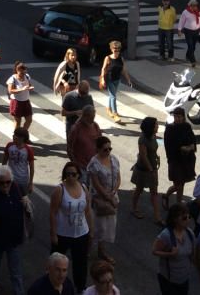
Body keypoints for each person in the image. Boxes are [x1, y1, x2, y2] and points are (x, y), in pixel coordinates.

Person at [50, 161, 93, 292]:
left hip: (81, 233)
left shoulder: (84, 188)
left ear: (78, 175)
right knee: (57, 263)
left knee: (81, 263)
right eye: (68, 174)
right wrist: (53, 233)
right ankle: (54, 286)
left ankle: (80, 287)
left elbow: (88, 211)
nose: (70, 177)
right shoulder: (60, 190)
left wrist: (91, 231)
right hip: (63, 234)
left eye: (73, 174)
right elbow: (53, 212)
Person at [0, 166, 26, 295]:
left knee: (16, 270)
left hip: (14, 238)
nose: (6, 185)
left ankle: (19, 292)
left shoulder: (16, 188)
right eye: (2, 182)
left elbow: (23, 203)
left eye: (8, 182)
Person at [88, 136, 120, 264]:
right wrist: (108, 197)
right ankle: (87, 250)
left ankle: (101, 251)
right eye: (105, 149)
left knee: (107, 227)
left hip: (111, 197)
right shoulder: (94, 164)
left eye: (109, 148)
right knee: (96, 227)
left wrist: (113, 192)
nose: (108, 151)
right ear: (98, 149)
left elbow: (118, 178)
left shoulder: (114, 160)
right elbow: (96, 184)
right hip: (99, 200)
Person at [152, 203, 196, 295]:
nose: (188, 220)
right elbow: (154, 251)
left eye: (189, 217)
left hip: (184, 279)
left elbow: (192, 255)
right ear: (175, 219)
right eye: (184, 218)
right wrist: (169, 254)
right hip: (169, 280)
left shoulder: (190, 233)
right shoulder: (166, 235)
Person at [163, 107, 197, 207]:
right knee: (178, 184)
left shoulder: (187, 126)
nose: (177, 118)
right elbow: (169, 145)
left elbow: (193, 140)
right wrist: (181, 148)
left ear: (183, 117)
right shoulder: (170, 128)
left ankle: (167, 196)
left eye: (179, 116)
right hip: (175, 160)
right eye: (175, 116)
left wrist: (190, 147)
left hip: (187, 160)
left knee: (181, 183)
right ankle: (178, 204)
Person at [130, 117, 162, 224]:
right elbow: (143, 156)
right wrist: (151, 170)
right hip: (144, 169)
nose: (158, 126)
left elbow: (151, 151)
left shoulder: (153, 136)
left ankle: (157, 217)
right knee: (139, 190)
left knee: (154, 192)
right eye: (156, 125)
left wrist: (156, 157)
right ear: (151, 127)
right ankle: (134, 209)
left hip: (152, 168)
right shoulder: (143, 139)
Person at [98, 40, 132, 123]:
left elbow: (124, 70)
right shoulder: (108, 58)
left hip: (117, 80)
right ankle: (115, 114)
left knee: (112, 95)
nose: (116, 50)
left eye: (117, 48)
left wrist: (128, 80)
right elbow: (103, 69)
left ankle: (108, 109)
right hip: (109, 80)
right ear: (111, 49)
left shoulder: (121, 58)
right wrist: (102, 79)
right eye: (114, 48)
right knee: (113, 96)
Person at [67, 106, 101, 182]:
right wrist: (75, 164)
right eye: (91, 117)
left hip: (94, 165)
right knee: (83, 188)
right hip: (81, 167)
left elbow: (101, 142)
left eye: (94, 117)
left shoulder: (95, 126)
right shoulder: (76, 129)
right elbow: (69, 148)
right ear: (85, 116)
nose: (93, 119)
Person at [3, 127, 35, 197]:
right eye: (14, 134)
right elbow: (4, 161)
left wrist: (30, 183)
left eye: (16, 135)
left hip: (22, 180)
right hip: (10, 178)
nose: (13, 136)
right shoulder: (9, 145)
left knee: (22, 199)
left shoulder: (28, 150)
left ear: (22, 138)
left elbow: (32, 168)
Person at [7, 62, 35, 132]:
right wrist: (21, 89)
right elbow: (10, 90)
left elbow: (30, 85)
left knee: (29, 120)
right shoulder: (12, 78)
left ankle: (22, 134)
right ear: (17, 70)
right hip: (16, 102)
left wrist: (30, 87)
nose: (23, 74)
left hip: (26, 101)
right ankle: (16, 137)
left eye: (24, 72)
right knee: (17, 122)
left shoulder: (27, 76)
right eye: (21, 72)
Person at [177, 0, 200, 67]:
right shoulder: (185, 12)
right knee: (190, 46)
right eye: (193, 6)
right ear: (190, 6)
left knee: (193, 47)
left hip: (196, 31)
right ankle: (193, 61)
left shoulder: (198, 12)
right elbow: (181, 21)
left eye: (196, 6)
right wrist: (179, 30)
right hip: (188, 31)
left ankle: (188, 55)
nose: (195, 7)